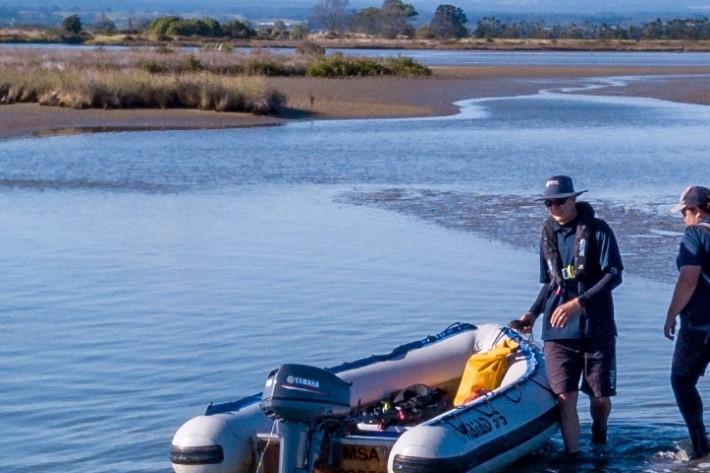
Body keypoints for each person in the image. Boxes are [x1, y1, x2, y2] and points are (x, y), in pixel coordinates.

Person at [516, 175, 623, 455]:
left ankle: (599, 436)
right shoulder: (547, 234)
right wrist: (533, 313)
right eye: (548, 203)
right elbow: (550, 283)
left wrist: (579, 303)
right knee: (565, 398)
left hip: (596, 328)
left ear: (574, 199)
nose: (554, 208)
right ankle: (573, 458)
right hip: (558, 334)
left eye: (559, 202)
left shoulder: (598, 230)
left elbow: (614, 275)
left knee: (599, 399)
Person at [664, 185, 710, 460]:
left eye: (685, 213)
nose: (683, 219)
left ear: (696, 210)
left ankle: (701, 448)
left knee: (681, 380)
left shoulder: (695, 235)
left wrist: (671, 315)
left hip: (700, 324)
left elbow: (689, 278)